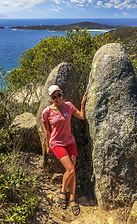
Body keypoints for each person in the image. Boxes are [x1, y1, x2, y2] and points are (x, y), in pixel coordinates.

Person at [42, 84, 87, 216]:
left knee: (72, 172)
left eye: (59, 95)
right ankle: (63, 191)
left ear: (62, 95)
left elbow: (82, 116)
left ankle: (72, 198)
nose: (57, 98)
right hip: (57, 144)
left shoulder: (68, 106)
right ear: (51, 99)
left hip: (70, 142)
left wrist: (83, 104)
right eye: (54, 97)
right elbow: (46, 130)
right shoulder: (47, 112)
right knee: (71, 170)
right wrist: (47, 146)